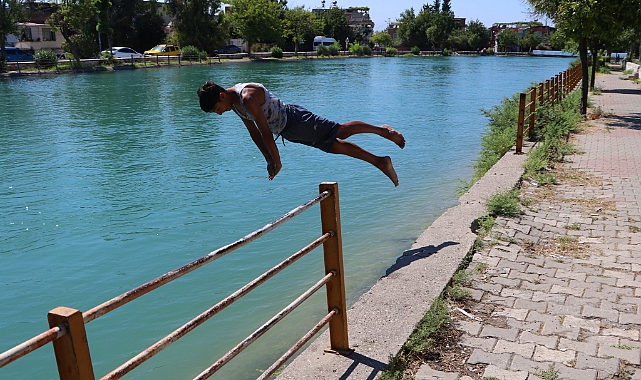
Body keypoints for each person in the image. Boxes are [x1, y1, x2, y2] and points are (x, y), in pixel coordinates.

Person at [197, 81, 406, 186]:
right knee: (334, 146)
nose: (220, 114)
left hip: (295, 119)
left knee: (339, 131)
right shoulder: (234, 104)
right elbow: (254, 134)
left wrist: (277, 162)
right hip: (289, 131)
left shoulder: (247, 98)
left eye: (217, 109)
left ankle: (383, 131)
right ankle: (380, 162)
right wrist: (268, 159)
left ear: (222, 95)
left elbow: (265, 134)